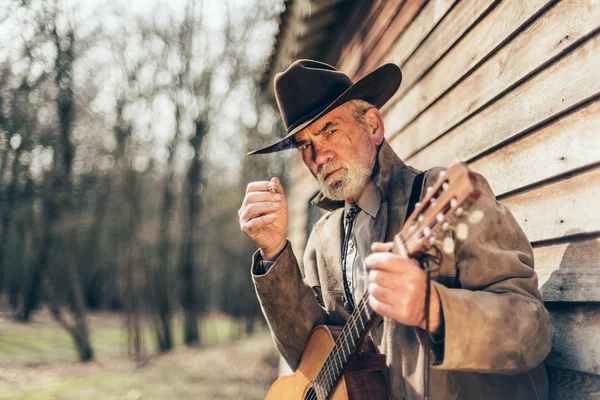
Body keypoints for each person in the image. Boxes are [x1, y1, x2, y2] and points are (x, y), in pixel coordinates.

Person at [238, 59, 551, 400]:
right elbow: (310, 362)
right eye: (304, 145)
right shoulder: (322, 241)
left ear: (373, 126)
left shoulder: (443, 200)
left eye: (329, 130)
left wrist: (435, 309)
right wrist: (274, 253)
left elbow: (532, 331)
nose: (318, 156)